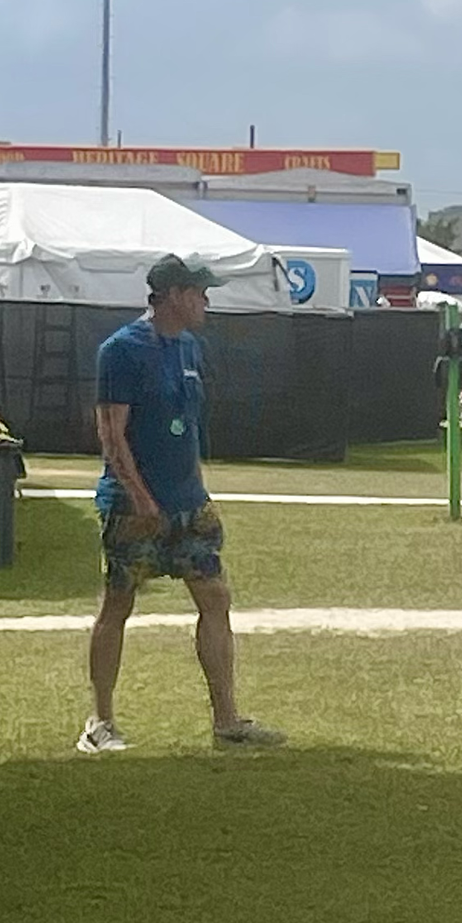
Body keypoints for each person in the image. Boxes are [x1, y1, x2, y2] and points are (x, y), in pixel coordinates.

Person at [80, 254, 282, 758]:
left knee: (215, 598)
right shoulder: (121, 351)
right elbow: (111, 434)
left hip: (189, 505)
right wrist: (141, 498)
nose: (206, 301)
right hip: (134, 509)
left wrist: (193, 493)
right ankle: (99, 722)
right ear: (172, 295)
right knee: (118, 605)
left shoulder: (190, 347)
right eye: (198, 292)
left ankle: (227, 721)